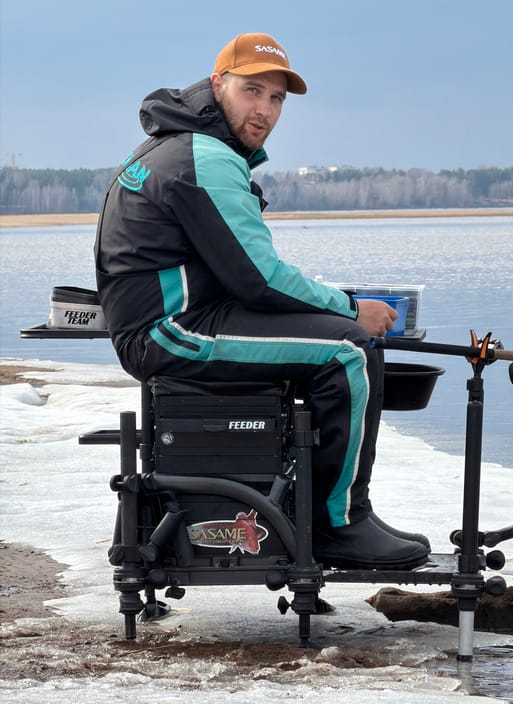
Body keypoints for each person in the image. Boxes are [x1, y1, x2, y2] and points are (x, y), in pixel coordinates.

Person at [94, 32, 430, 569]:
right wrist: (348, 306)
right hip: (171, 331)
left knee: (338, 338)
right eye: (254, 91)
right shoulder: (202, 156)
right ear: (219, 83)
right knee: (348, 350)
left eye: (277, 99)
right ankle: (336, 525)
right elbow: (260, 279)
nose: (266, 110)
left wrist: (326, 307)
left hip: (174, 319)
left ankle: (319, 509)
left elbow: (240, 272)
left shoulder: (179, 143)